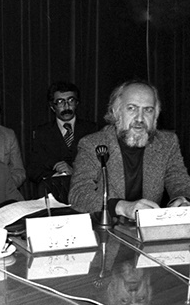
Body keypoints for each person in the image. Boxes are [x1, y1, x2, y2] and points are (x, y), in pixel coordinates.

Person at [69, 80, 190, 219]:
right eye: (132, 108)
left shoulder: (167, 143)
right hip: (108, 226)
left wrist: (182, 200)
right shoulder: (93, 144)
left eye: (148, 110)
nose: (140, 118)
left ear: (155, 116)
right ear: (116, 112)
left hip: (149, 226)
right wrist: (122, 207)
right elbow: (78, 194)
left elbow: (179, 181)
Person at [28, 81, 97, 184]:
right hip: (54, 189)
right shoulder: (42, 133)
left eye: (71, 100)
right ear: (52, 106)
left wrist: (74, 172)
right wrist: (58, 176)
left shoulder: (92, 130)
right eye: (60, 102)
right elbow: (33, 170)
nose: (66, 106)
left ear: (77, 103)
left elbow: (100, 167)